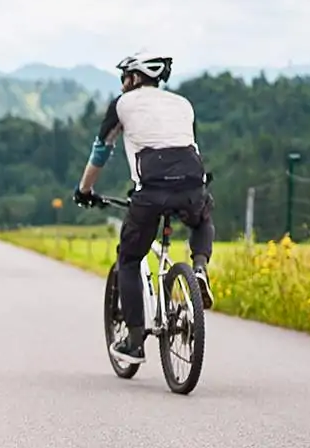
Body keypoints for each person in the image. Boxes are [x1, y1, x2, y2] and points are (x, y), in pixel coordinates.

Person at [73, 51, 214, 363]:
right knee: (202, 218)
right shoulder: (183, 104)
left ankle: (135, 341)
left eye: (125, 77)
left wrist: (84, 190)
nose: (123, 84)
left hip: (151, 192)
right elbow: (188, 145)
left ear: (135, 77)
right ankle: (200, 268)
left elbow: (101, 152)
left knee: (129, 258)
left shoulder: (122, 105)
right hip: (191, 184)